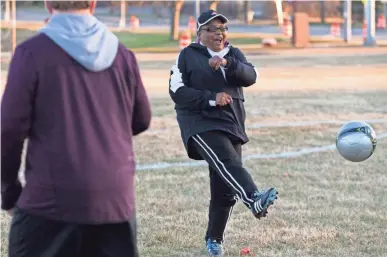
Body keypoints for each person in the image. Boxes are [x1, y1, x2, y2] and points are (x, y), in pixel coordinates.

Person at [1, 1, 151, 256]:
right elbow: (141, 119)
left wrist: (9, 191)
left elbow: (8, 130)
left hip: (49, 201)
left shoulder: (32, 53)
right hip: (115, 202)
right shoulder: (123, 55)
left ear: (49, 4)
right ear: (93, 4)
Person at [168, 10, 278, 256]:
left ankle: (214, 240)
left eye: (222, 29)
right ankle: (253, 200)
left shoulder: (234, 54)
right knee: (228, 162)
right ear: (200, 33)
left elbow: (252, 76)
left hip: (231, 124)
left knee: (225, 186)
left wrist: (228, 63)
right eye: (212, 29)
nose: (219, 34)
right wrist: (210, 99)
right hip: (199, 123)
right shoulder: (187, 55)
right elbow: (176, 91)